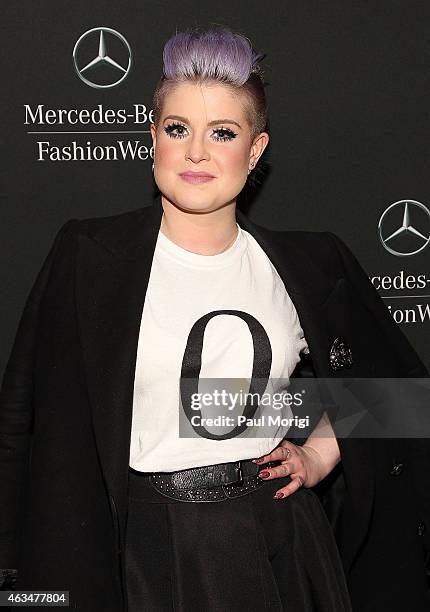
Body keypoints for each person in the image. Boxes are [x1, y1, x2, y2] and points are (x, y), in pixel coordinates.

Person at [0, 25, 428, 612]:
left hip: (280, 543)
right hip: (140, 549)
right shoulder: (88, 256)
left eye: (222, 133)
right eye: (178, 129)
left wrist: (319, 452)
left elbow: (399, 394)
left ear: (254, 151)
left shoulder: (309, 264)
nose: (196, 151)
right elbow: (20, 420)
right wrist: (19, 581)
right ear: (154, 138)